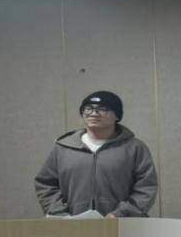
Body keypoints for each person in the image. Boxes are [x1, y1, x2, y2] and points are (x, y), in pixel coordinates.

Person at [35, 90, 158, 218]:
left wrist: (121, 214)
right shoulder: (63, 148)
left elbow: (146, 187)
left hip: (122, 224)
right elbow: (45, 184)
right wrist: (60, 213)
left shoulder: (134, 148)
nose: (94, 113)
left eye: (102, 109)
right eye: (88, 108)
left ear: (117, 116)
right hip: (72, 225)